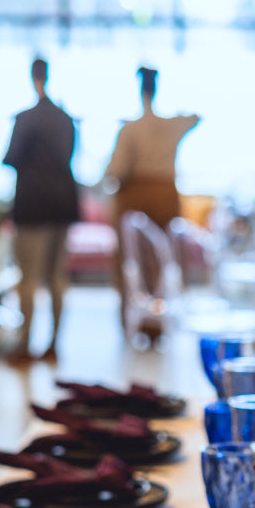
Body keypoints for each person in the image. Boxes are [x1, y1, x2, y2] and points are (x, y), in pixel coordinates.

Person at [105, 67, 198, 333]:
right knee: (161, 261)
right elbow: (194, 117)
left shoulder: (132, 128)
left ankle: (138, 322)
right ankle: (157, 325)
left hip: (136, 195)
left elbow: (116, 170)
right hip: (166, 194)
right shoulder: (171, 124)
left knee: (132, 260)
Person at [1, 58, 80, 365]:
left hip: (33, 203)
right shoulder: (66, 119)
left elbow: (11, 157)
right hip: (63, 201)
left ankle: (24, 345)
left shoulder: (26, 119)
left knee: (29, 279)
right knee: (57, 277)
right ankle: (53, 344)